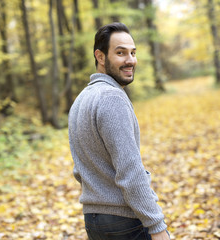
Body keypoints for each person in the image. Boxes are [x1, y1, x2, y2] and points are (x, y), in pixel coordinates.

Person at [68, 22, 170, 240]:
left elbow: (80, 170)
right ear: (101, 57)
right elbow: (130, 171)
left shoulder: (81, 99)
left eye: (133, 53)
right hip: (125, 222)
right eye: (121, 53)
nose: (130, 60)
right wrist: (157, 226)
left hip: (95, 221)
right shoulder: (111, 98)